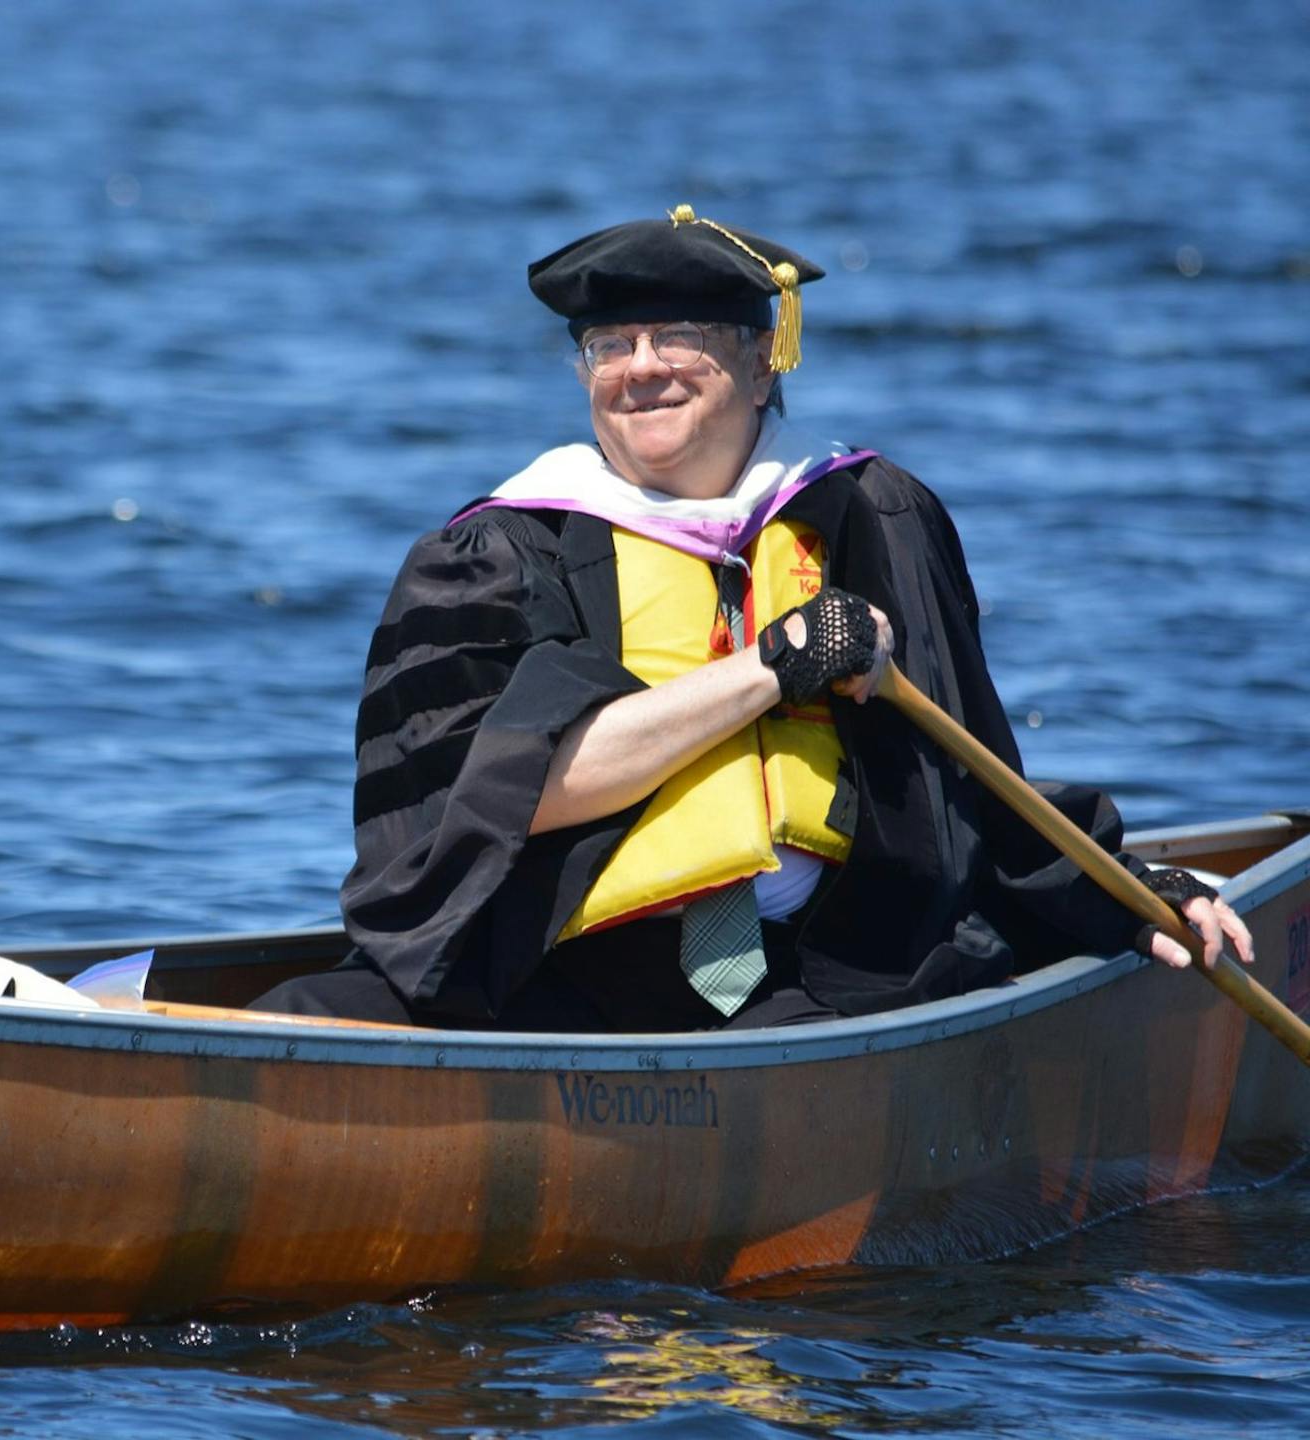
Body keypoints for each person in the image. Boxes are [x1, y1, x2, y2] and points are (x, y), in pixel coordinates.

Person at [255, 204, 1252, 1032]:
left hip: (824, 974)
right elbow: (499, 797)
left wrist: (1125, 897)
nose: (639, 368)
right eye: (609, 345)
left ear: (766, 361)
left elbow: (967, 768)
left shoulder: (870, 512)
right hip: (554, 969)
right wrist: (782, 661)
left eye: (677, 336)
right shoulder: (502, 551)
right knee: (299, 1016)